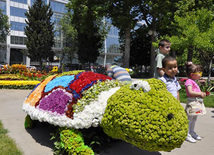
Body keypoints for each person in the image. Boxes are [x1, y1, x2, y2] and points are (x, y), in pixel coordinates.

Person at [184, 62, 206, 143]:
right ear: (192, 74)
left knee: (194, 118)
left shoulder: (193, 81)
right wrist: (200, 93)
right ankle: (186, 134)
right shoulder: (189, 82)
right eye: (199, 72)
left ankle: (191, 132)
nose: (200, 74)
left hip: (196, 103)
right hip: (192, 103)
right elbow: (190, 92)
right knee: (190, 119)